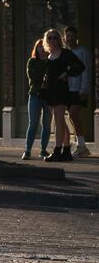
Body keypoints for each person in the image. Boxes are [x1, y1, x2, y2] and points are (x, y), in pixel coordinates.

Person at [42, 28, 83, 162]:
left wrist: (67, 73)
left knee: (58, 121)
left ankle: (57, 150)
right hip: (50, 91)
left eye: (55, 37)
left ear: (59, 40)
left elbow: (80, 66)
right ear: (46, 40)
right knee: (60, 121)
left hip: (61, 91)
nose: (52, 40)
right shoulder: (49, 56)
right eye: (50, 38)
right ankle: (66, 150)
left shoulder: (65, 53)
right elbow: (48, 75)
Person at [23, 38, 53, 161]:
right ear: (36, 48)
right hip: (35, 95)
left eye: (43, 46)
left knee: (46, 124)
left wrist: (46, 78)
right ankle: (27, 151)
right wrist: (45, 77)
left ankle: (43, 150)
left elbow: (51, 78)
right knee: (33, 123)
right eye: (39, 46)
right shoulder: (32, 61)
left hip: (48, 96)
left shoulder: (50, 62)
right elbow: (33, 77)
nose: (41, 49)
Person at [65, 26, 90, 157]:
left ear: (76, 37)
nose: (69, 38)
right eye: (67, 36)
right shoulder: (65, 52)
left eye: (71, 35)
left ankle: (82, 146)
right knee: (72, 116)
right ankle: (80, 145)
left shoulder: (82, 51)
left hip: (79, 89)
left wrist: (84, 89)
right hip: (68, 90)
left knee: (74, 114)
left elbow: (86, 71)